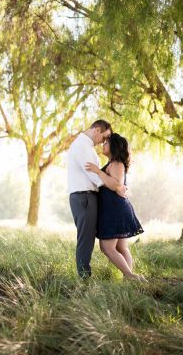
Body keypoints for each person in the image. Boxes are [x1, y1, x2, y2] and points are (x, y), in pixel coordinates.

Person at [85, 133, 145, 281]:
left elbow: (116, 185)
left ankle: (131, 275)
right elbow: (117, 186)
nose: (103, 145)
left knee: (107, 248)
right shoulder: (113, 163)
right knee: (120, 247)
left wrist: (98, 172)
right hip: (113, 209)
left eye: (106, 143)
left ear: (114, 146)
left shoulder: (117, 163)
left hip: (115, 210)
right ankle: (129, 278)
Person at [66, 119, 112, 278]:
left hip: (86, 197)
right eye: (104, 137)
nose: (104, 141)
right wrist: (115, 186)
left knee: (88, 238)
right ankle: (85, 279)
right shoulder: (81, 146)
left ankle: (84, 276)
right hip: (84, 197)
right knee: (86, 239)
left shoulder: (85, 146)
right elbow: (94, 176)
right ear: (97, 130)